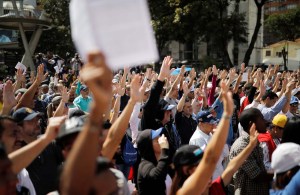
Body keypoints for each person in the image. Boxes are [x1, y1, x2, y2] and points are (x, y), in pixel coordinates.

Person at [171, 81, 233, 195]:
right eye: (210, 123)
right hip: (205, 184)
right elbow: (208, 160)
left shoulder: (210, 134)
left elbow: (224, 154)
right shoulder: (197, 139)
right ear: (201, 123)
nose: (213, 125)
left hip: (216, 178)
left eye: (213, 122)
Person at [171, 122, 258, 195]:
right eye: (199, 165)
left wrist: (251, 146)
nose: (207, 168)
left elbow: (232, 167)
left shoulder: (215, 189)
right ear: (187, 171)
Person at [229, 108, 273, 195]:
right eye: (262, 119)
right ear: (251, 124)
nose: (265, 122)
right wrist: (283, 172)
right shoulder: (242, 146)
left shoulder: (254, 141)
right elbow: (257, 175)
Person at [136, 129, 171, 195]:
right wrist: (164, 149)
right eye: (157, 139)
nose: (161, 141)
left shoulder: (159, 162)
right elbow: (157, 177)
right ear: (148, 145)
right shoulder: (144, 165)